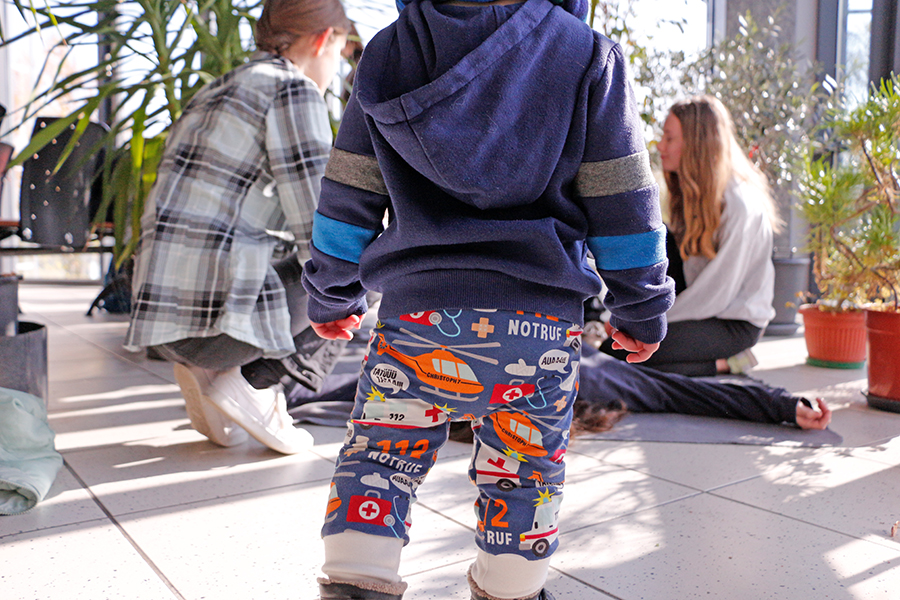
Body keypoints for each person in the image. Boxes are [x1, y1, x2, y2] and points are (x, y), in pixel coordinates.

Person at [301, 1, 676, 599]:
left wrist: (331, 290)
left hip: (417, 321)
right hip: (541, 328)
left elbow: (349, 189)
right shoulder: (585, 55)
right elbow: (624, 200)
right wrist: (641, 306)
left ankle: (356, 579)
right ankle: (512, 586)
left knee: (379, 457)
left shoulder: (390, 51)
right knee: (526, 472)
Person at [123, 0, 351, 455]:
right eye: (342, 53)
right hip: (210, 327)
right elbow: (322, 226)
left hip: (160, 319)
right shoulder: (293, 89)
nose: (339, 68)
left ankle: (217, 374)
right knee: (367, 262)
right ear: (324, 38)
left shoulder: (221, 86)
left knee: (324, 265)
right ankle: (255, 383)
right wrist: (348, 293)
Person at [599, 95, 780, 376]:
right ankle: (715, 364)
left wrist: (645, 322)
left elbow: (714, 295)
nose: (660, 146)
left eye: (669, 138)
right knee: (622, 350)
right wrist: (632, 314)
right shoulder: (694, 193)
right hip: (699, 303)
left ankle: (727, 361)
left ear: (697, 145)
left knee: (617, 353)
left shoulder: (741, 205)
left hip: (732, 321)